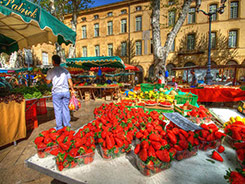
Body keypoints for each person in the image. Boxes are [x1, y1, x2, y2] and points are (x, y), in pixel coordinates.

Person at [44, 55, 75, 130]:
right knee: (66, 109)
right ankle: (67, 125)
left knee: (58, 110)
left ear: (53, 62)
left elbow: (47, 82)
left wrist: (42, 76)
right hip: (65, 91)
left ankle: (59, 127)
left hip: (56, 92)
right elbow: (70, 81)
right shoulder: (65, 71)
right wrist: (72, 89)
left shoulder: (50, 71)